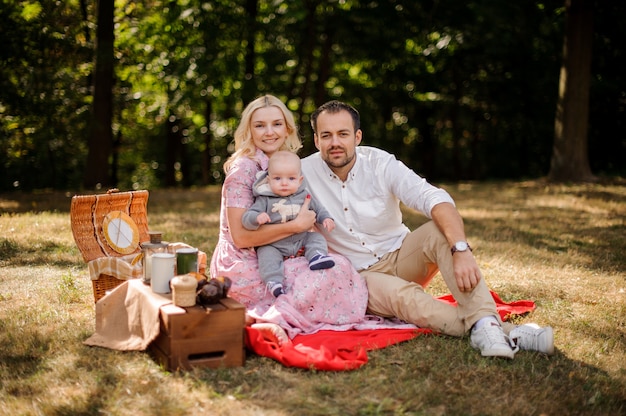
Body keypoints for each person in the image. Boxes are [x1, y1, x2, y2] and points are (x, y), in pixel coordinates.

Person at [301, 100, 554, 359]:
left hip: (401, 255)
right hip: (361, 276)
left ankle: (487, 326)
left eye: (342, 134)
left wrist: (462, 250)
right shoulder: (302, 173)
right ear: (316, 140)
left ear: (357, 136)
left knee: (438, 231)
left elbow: (434, 198)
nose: (335, 143)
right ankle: (501, 329)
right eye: (326, 135)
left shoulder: (380, 163)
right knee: (407, 299)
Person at [210, 95, 388, 343]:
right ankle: (265, 320)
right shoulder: (244, 169)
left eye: (276, 124)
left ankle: (277, 316)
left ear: (288, 129)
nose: (269, 132)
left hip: (282, 249)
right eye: (260, 125)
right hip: (245, 262)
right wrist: (295, 226)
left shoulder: (284, 163)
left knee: (336, 266)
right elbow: (240, 237)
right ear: (249, 130)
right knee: (326, 276)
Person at [241, 150, 335, 297]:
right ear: (269, 180)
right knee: (266, 254)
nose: (284, 183)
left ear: (299, 179)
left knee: (316, 238)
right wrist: (256, 218)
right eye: (277, 178)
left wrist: (326, 219)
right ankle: (273, 281)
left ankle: (317, 256)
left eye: (291, 178)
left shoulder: (304, 195)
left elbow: (318, 209)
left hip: (300, 239)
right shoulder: (264, 200)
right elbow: (247, 218)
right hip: (274, 243)